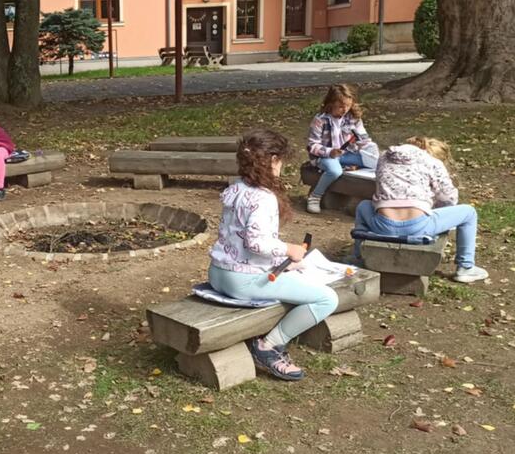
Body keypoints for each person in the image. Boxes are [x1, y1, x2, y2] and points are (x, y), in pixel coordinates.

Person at [208, 129, 339, 381]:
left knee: (295, 276)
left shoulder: (236, 189)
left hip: (218, 273)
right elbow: (256, 242)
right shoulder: (263, 198)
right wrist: (289, 249)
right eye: (281, 161)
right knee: (327, 299)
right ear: (273, 160)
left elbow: (240, 238)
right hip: (242, 281)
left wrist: (280, 261)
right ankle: (268, 345)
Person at [353, 137, 488, 283]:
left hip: (382, 226)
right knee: (469, 212)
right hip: (418, 227)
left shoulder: (384, 157)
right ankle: (466, 267)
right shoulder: (432, 162)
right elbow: (448, 198)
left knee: (363, 206)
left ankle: (359, 257)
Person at [306, 84, 376, 214]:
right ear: (331, 104)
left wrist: (365, 146)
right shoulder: (320, 120)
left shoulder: (353, 118)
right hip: (325, 157)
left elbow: (364, 137)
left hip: (347, 154)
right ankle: (315, 196)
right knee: (334, 171)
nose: (344, 109)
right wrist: (329, 152)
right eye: (340, 106)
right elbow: (312, 145)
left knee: (375, 162)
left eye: (348, 106)